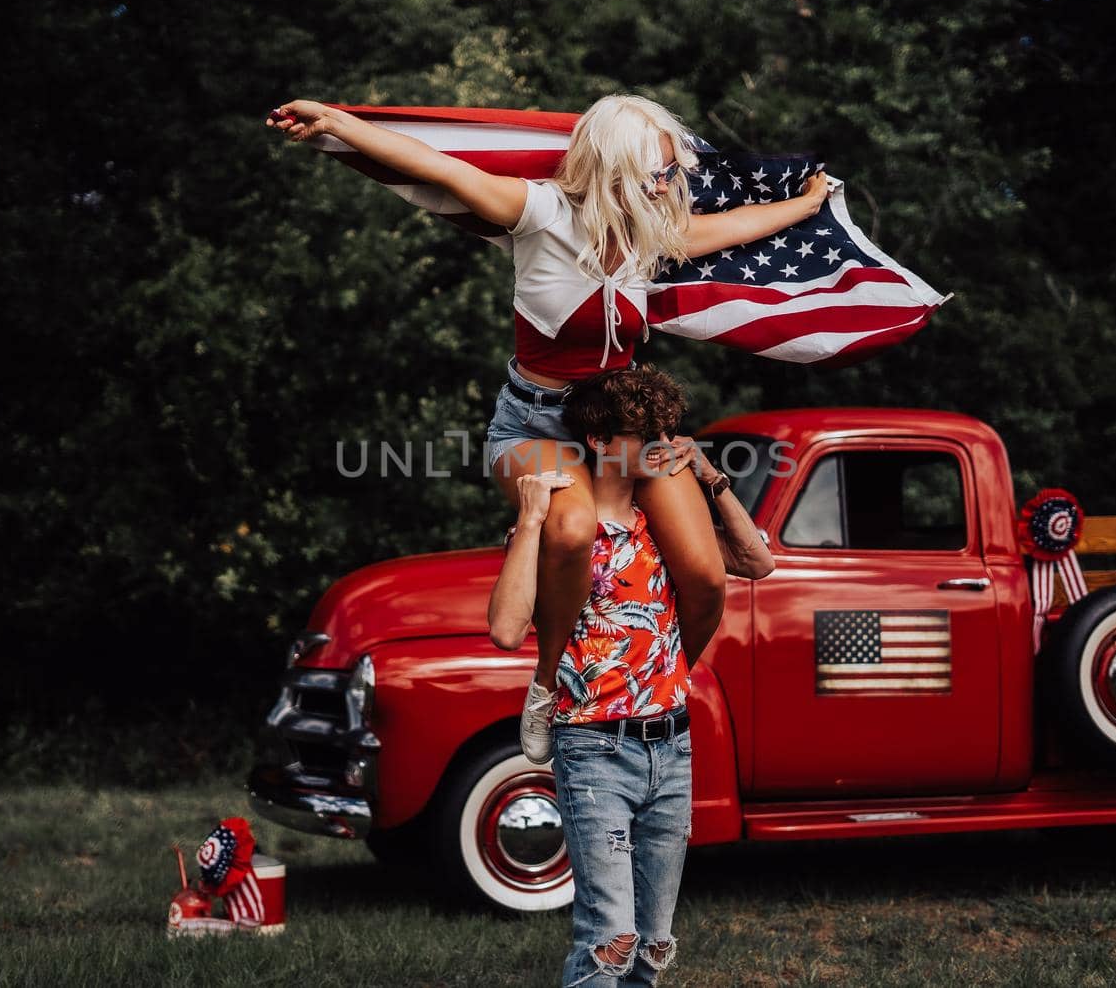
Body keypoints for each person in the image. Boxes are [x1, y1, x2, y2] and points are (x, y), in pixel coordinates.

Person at [268, 95, 828, 764]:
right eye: (655, 172)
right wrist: (335, 125)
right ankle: (549, 684)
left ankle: (663, 681)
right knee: (570, 528)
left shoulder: (653, 230)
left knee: (707, 576)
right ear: (615, 167)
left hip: (625, 430)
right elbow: (433, 165)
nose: (667, 184)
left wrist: (807, 204)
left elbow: (737, 226)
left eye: (669, 172)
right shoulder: (538, 213)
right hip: (537, 421)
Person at [487, 366, 773, 987]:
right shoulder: (563, 532)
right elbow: (508, 629)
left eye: (664, 434)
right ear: (598, 442)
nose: (658, 448)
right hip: (594, 749)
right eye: (644, 437)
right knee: (608, 939)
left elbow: (757, 561)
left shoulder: (661, 531)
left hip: (671, 747)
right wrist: (531, 519)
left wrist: (709, 475)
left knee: (653, 943)